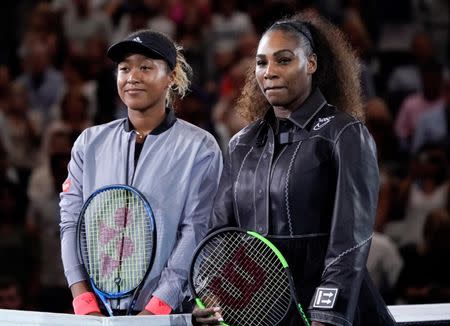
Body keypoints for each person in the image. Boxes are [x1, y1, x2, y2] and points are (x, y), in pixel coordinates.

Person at [193, 12, 395, 326]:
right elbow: (219, 238)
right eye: (261, 63)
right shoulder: (241, 144)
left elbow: (350, 242)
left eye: (283, 60)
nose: (269, 72)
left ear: (311, 63)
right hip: (260, 313)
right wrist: (211, 296)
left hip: (334, 316)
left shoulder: (344, 133)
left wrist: (326, 317)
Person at [59, 29, 223, 316]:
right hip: (97, 312)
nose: (132, 76)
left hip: (166, 313)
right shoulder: (89, 142)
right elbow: (71, 222)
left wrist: (157, 309)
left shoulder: (200, 147)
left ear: (171, 76)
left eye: (145, 67)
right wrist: (83, 300)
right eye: (124, 69)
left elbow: (196, 231)